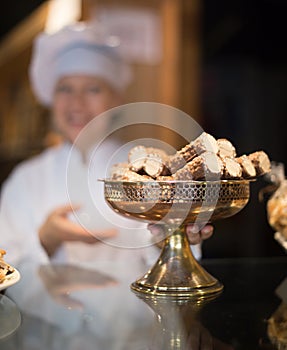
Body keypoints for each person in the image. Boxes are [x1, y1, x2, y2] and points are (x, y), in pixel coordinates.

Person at [0, 22, 213, 273]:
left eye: (93, 89)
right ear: (51, 100)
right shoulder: (25, 179)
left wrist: (174, 238)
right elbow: (4, 265)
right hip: (45, 313)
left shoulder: (153, 173)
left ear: (116, 99)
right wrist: (46, 239)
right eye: (65, 89)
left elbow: (169, 258)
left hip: (134, 311)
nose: (76, 102)